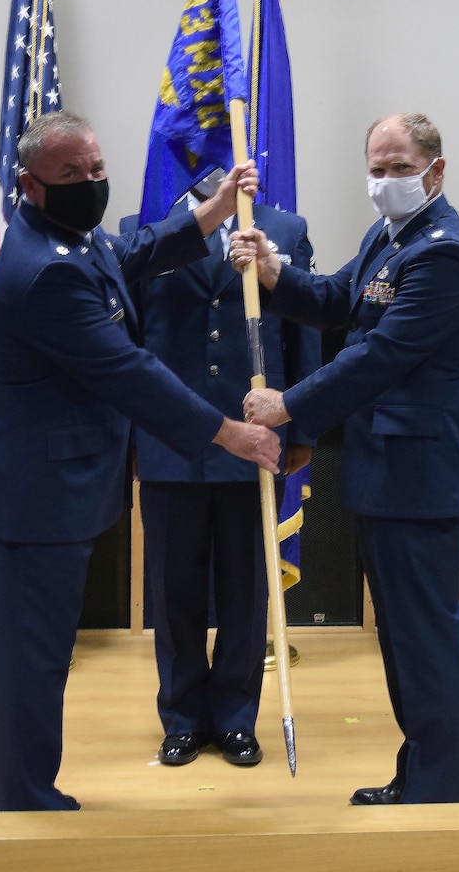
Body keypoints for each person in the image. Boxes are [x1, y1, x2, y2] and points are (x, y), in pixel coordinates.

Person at [0, 110, 280, 813]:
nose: (91, 184)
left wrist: (210, 211)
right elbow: (129, 371)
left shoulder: (63, 239)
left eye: (97, 170)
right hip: (30, 495)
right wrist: (228, 433)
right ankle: (20, 797)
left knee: (19, 656)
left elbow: (128, 254)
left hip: (40, 489)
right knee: (29, 659)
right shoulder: (46, 272)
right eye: (72, 175)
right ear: (29, 185)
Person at [233, 113, 459, 805]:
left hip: (422, 474)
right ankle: (425, 774)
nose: (383, 181)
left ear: (435, 170)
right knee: (406, 639)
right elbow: (337, 301)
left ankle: (440, 784)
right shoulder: (389, 238)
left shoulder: (442, 255)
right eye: (375, 168)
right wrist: (273, 269)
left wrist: (289, 406)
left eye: (399, 167)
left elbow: (378, 356)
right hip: (388, 472)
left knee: (423, 636)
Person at [120, 173, 321, 768]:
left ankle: (236, 717)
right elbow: (127, 345)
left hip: (254, 436)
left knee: (243, 590)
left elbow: (302, 328)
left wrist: (302, 426)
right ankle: (181, 717)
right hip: (168, 438)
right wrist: (130, 434)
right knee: (172, 589)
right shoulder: (141, 236)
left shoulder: (284, 230)